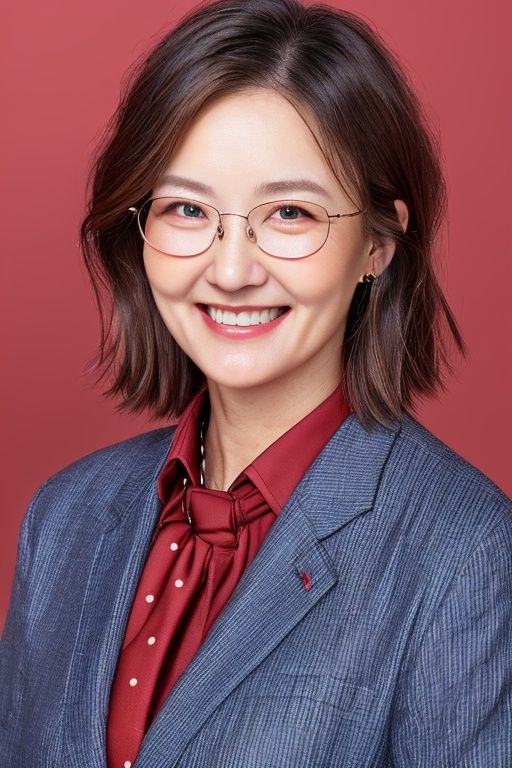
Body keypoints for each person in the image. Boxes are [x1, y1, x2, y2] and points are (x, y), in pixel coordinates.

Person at [1, 0, 511, 765]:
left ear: (378, 243)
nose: (231, 270)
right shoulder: (64, 517)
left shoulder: (463, 550)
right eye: (185, 208)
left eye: (289, 213)